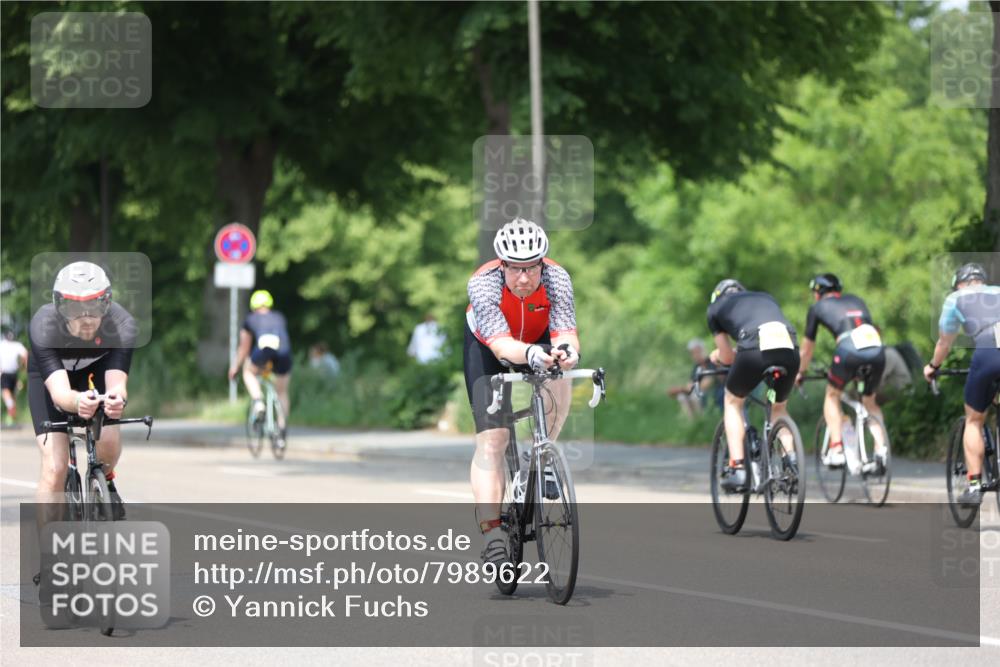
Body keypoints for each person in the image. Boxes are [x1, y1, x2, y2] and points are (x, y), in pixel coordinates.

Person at [464, 218, 580, 566]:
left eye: (532, 268)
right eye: (515, 270)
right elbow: (501, 346)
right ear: (502, 266)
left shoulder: (558, 277)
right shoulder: (483, 283)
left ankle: (541, 456)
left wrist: (567, 354)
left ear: (543, 263)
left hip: (538, 338)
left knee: (560, 372)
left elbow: (566, 332)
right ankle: (493, 533)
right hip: (487, 347)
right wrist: (530, 353)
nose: (525, 278)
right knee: (493, 440)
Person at [28, 261, 136, 524]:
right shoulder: (43, 326)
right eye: (76, 308)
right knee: (55, 467)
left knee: (108, 442)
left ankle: (106, 481)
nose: (86, 318)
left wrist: (116, 400)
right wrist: (76, 402)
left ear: (107, 304)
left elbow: (117, 385)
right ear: (60, 307)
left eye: (96, 306)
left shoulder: (123, 325)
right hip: (52, 379)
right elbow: (60, 393)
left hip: (96, 369)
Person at [706, 279, 800, 491]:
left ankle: (737, 467)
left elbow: (727, 357)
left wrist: (716, 356)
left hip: (753, 347)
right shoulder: (765, 297)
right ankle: (791, 462)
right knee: (778, 407)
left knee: (732, 401)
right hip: (789, 346)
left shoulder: (715, 308)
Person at [795, 273, 888, 471]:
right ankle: (882, 450)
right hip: (877, 349)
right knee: (869, 402)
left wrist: (800, 372)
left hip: (849, 350)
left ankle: (836, 449)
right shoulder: (857, 300)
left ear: (818, 293)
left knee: (832, 395)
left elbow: (807, 350)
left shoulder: (817, 307)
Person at [925, 263, 1000, 505]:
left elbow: (944, 343)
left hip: (988, 351)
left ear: (960, 283)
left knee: (974, 420)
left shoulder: (955, 298)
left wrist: (933, 367)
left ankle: (975, 485)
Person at [228, 290, 292, 444]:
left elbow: (244, 348)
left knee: (248, 372)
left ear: (253, 305)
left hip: (264, 351)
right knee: (282, 392)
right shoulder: (279, 317)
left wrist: (235, 367)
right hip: (284, 353)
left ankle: (258, 402)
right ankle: (281, 429)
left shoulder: (251, 319)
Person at [666, 338, 723, 416]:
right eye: (693, 353)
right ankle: (692, 423)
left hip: (714, 392)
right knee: (682, 397)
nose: (695, 355)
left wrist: (681, 389)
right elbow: (690, 385)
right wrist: (683, 390)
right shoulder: (696, 367)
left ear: (704, 350)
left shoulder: (712, 362)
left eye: (698, 352)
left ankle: (702, 419)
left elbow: (706, 384)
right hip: (700, 392)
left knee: (694, 396)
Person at [0, 327, 28, 427]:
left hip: (5, 373)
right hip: (14, 373)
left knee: (6, 393)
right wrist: (24, 367)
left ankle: (10, 411)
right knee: (12, 394)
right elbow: (25, 355)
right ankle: (11, 418)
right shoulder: (17, 345)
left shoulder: (2, 345)